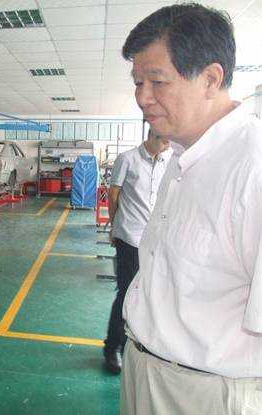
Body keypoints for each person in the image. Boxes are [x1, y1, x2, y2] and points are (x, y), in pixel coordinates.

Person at [120, 3, 262, 414]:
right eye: (138, 82)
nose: (142, 97)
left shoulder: (251, 167)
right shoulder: (182, 156)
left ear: (210, 79)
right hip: (146, 368)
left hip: (203, 392)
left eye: (157, 81)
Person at [103, 129, 171, 374]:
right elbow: (113, 194)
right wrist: (115, 226)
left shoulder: (167, 161)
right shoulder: (128, 159)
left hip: (155, 238)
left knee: (150, 292)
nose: (168, 146)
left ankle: (137, 344)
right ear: (153, 136)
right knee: (126, 292)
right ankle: (112, 347)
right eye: (165, 141)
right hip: (130, 235)